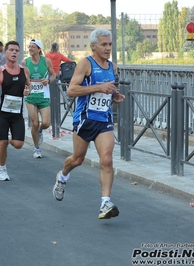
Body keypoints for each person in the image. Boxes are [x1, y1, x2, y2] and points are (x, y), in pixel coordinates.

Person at [52, 28, 125, 219]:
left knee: (107, 160)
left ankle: (105, 203)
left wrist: (114, 94)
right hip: (85, 119)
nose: (108, 48)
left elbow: (106, 91)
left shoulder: (113, 67)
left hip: (104, 120)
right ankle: (62, 176)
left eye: (110, 44)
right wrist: (99, 87)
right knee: (77, 159)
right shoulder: (86, 64)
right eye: (104, 44)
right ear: (94, 46)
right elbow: (71, 90)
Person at [0, 41, 31, 181]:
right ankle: (2, 169)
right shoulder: (0, 71)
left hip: (17, 114)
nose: (14, 52)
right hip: (2, 113)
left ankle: (7, 139)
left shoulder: (24, 70)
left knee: (18, 144)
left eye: (17, 50)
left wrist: (28, 90)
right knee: (2, 143)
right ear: (5, 53)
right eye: (11, 50)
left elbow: (29, 86)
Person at [22, 39, 56, 159]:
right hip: (31, 96)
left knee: (46, 123)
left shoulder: (46, 61)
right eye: (29, 46)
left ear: (39, 49)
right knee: (35, 123)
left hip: (43, 95)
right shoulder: (25, 62)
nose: (30, 49)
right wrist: (24, 88)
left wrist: (48, 81)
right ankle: (36, 148)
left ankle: (40, 131)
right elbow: (22, 78)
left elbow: (53, 75)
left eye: (33, 47)